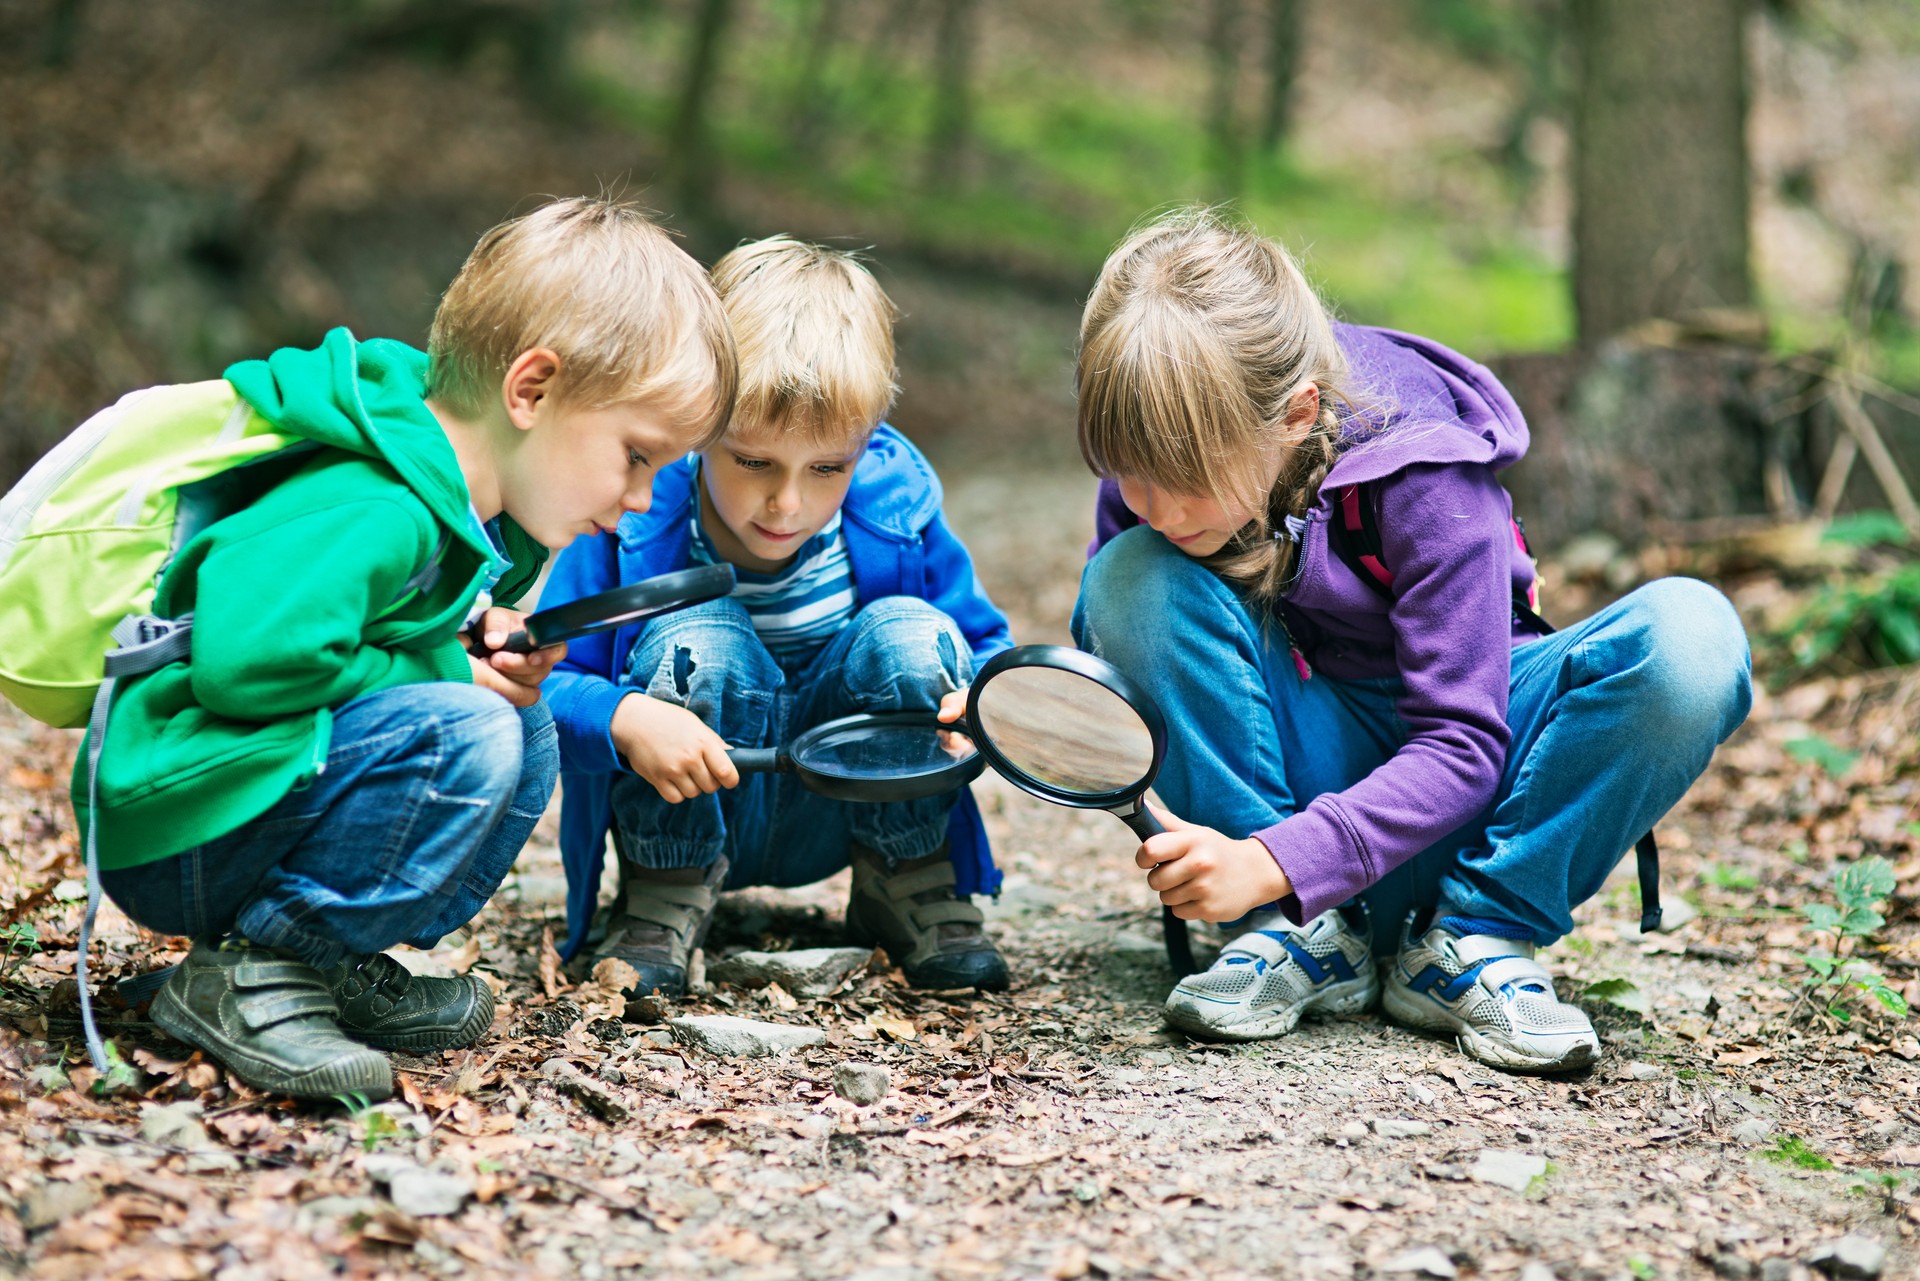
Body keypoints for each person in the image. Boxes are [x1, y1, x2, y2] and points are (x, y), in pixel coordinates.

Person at [79, 197, 737, 1099]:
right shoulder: (376, 501)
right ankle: (251, 970)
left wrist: (465, 642)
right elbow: (249, 663)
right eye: (636, 455)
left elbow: (371, 642)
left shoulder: (448, 508)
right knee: (468, 729)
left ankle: (314, 959)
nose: (640, 497)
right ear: (532, 390)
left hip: (241, 799)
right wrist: (443, 669)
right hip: (181, 821)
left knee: (522, 723)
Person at [1070, 208, 1752, 1073]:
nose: (1155, 507)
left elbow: (1464, 744)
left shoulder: (1425, 475)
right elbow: (1131, 675)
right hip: (1289, 819)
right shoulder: (1157, 491)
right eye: (1130, 473)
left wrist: (1274, 859)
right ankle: (1293, 939)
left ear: (1295, 414)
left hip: (1471, 808)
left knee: (1693, 637)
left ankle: (1476, 939)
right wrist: (1030, 712)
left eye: (1185, 482)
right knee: (1129, 576)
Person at [545, 236, 1013, 998]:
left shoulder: (896, 511)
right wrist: (625, 716)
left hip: (844, 802)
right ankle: (666, 890)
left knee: (912, 632)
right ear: (698, 429)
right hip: (692, 797)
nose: (788, 503)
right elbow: (549, 684)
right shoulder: (635, 518)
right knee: (699, 634)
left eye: (827, 467)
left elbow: (986, 647)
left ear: (865, 444)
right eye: (753, 461)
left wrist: (984, 700)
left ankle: (905, 877)